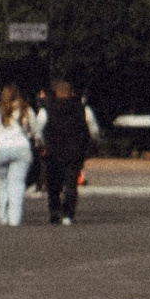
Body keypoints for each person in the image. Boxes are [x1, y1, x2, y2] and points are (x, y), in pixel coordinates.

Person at [39, 77, 98, 225]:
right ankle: (68, 214)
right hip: (74, 151)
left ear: (56, 92)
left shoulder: (47, 109)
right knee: (71, 183)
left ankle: (54, 212)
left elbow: (38, 129)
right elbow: (93, 130)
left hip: (53, 151)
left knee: (53, 184)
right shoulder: (83, 109)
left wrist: (41, 145)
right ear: (72, 92)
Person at [0, 83, 37, 228]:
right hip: (21, 149)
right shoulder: (26, 110)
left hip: (1, 150)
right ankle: (14, 219)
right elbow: (35, 131)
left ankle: (3, 217)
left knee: (3, 182)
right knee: (17, 184)